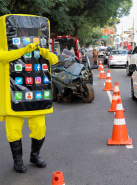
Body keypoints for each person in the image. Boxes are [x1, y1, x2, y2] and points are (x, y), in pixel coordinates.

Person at [0, 14, 58, 173]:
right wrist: (24, 49)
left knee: (39, 127)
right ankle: (17, 161)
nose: (26, 35)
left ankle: (35, 155)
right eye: (22, 31)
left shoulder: (40, 46)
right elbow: (3, 57)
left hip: (36, 92)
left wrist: (46, 54)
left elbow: (54, 60)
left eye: (30, 32)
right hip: (14, 94)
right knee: (13, 131)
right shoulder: (6, 45)